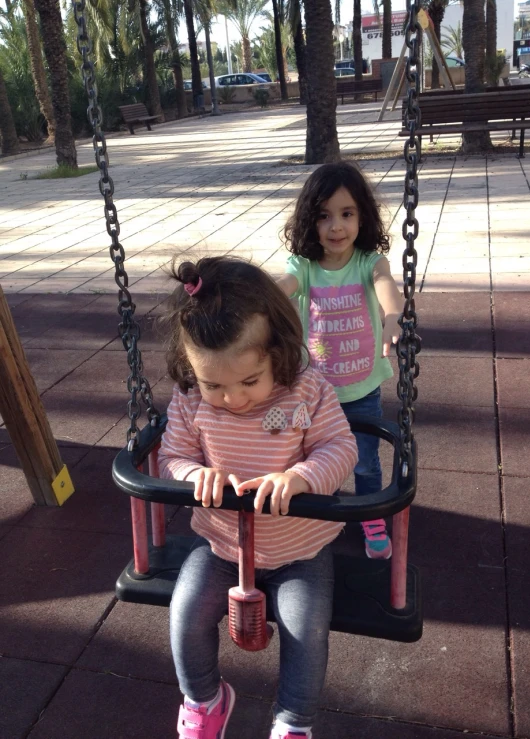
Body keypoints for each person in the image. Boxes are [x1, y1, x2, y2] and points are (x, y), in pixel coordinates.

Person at [158, 256, 358, 739]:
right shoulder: (189, 401)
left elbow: (341, 446)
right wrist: (194, 475)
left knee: (304, 629)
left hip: (299, 551)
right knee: (185, 611)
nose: (234, 399)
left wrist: (304, 477)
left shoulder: (303, 391)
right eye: (214, 385)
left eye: (249, 381)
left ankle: (293, 723)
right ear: (191, 369)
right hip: (223, 546)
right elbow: (170, 457)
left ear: (277, 351)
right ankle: (204, 700)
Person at [278, 161, 405, 560]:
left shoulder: (368, 261)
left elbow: (386, 285)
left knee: (366, 463)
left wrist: (391, 317)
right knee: (320, 460)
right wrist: (257, 298)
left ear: (362, 216)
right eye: (324, 216)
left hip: (362, 387)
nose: (336, 227)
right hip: (316, 392)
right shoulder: (305, 267)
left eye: (347, 214)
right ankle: (325, 517)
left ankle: (370, 519)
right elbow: (283, 288)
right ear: (308, 221)